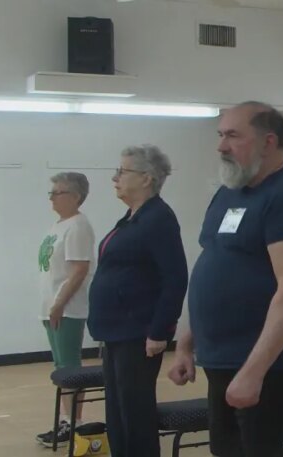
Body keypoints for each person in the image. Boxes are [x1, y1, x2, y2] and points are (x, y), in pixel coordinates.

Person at [168, 102, 283, 457]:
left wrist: (254, 371)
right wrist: (186, 342)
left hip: (273, 368)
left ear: (268, 142)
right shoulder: (229, 193)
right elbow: (212, 267)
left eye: (232, 135)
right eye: (221, 135)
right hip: (223, 360)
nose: (221, 146)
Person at [87, 145, 189, 457]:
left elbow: (175, 277)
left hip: (138, 332)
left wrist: (159, 331)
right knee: (118, 413)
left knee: (135, 413)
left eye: (122, 171)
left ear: (146, 178)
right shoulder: (133, 217)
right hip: (117, 331)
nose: (115, 178)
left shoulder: (158, 218)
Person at [36, 172, 96, 447]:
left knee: (70, 368)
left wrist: (59, 304)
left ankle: (75, 424)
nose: (51, 197)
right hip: (52, 308)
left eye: (57, 192)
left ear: (75, 196)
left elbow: (79, 270)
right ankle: (65, 422)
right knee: (61, 368)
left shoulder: (78, 226)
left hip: (67, 309)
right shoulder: (59, 225)